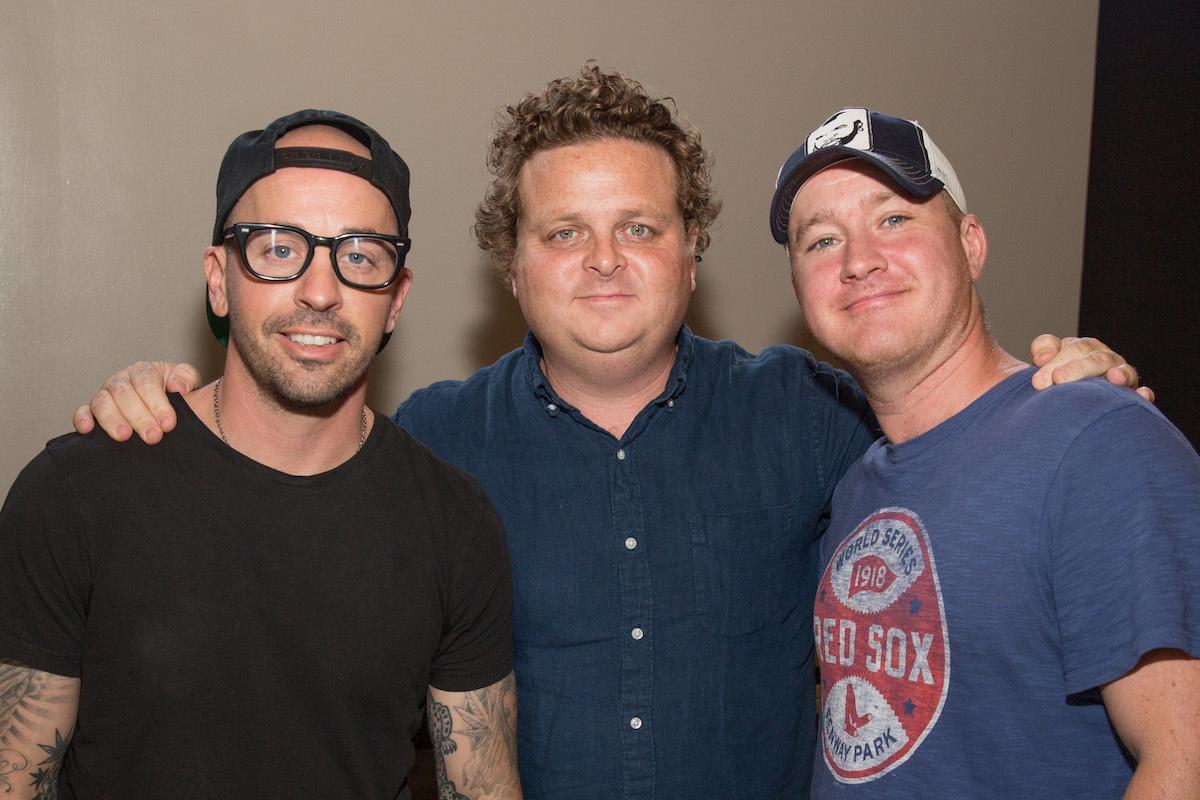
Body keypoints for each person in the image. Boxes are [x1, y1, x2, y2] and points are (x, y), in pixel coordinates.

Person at [71, 69, 1144, 799]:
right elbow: (276, 455)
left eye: (639, 226)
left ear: (690, 255)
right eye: (564, 232)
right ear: (515, 264)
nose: (604, 260)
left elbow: (958, 413)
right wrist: (163, 396)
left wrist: (1066, 376)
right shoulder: (433, 444)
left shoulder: (814, 412)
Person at [0, 110, 521, 800]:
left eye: (360, 254)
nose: (320, 290)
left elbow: (482, 786)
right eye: (278, 248)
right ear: (220, 279)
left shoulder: (455, 522)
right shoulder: (73, 494)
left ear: (395, 299)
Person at [772, 107, 1200, 798]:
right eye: (821, 241)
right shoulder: (854, 486)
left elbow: (1184, 762)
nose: (858, 261)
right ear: (800, 291)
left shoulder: (1096, 441)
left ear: (970, 244)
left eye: (893, 219)